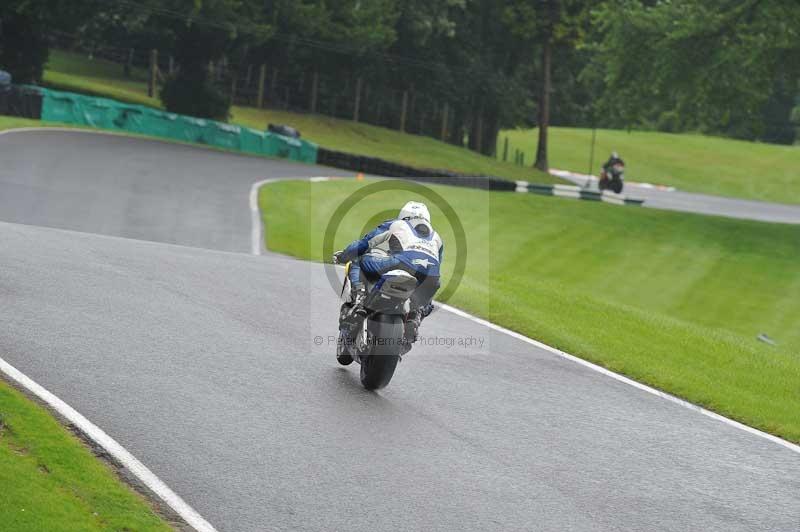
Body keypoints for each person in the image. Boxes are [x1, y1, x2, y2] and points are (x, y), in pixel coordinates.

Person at [332, 201, 443, 343]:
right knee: (428, 296)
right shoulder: (437, 237)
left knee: (358, 261)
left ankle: (359, 297)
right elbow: (438, 263)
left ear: (403, 215)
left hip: (400, 263)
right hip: (432, 277)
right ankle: (416, 316)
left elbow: (365, 243)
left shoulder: (395, 224)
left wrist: (344, 256)